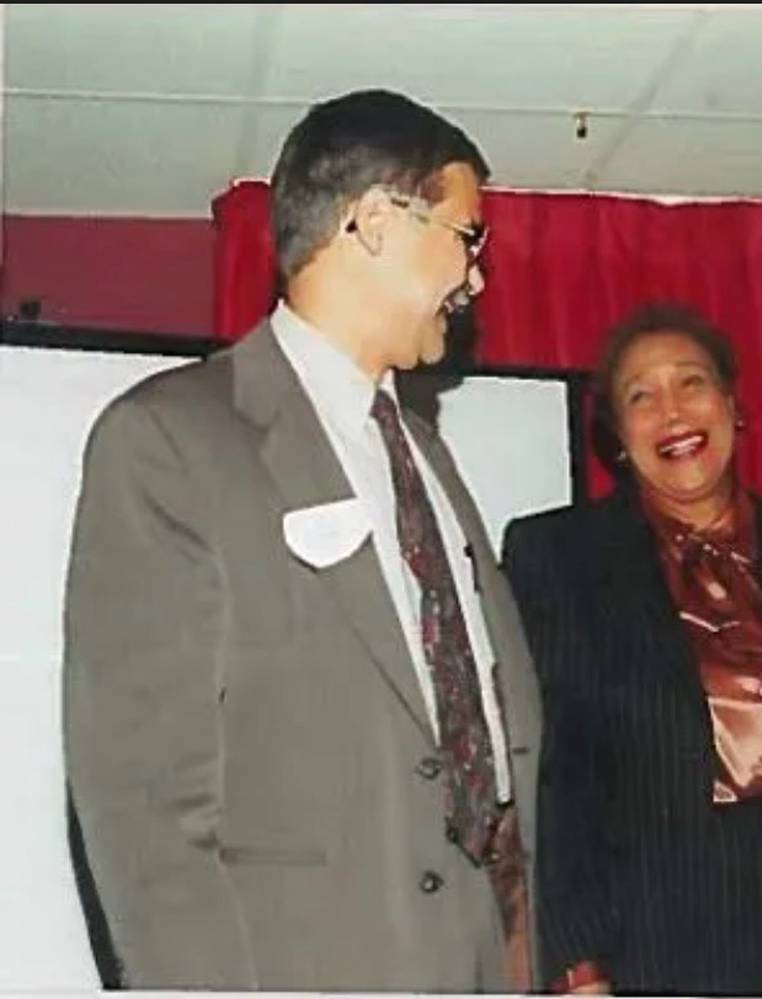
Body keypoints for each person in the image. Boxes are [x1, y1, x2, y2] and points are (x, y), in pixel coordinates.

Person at [62, 89, 540, 991]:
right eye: (466, 237)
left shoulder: (428, 457)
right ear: (373, 222)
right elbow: (145, 809)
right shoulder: (171, 441)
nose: (475, 277)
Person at [503, 304, 762, 997]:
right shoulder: (559, 556)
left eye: (691, 383)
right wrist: (579, 966)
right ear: (616, 437)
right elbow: (558, 778)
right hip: (650, 944)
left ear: (732, 404)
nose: (673, 411)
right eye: (641, 395)